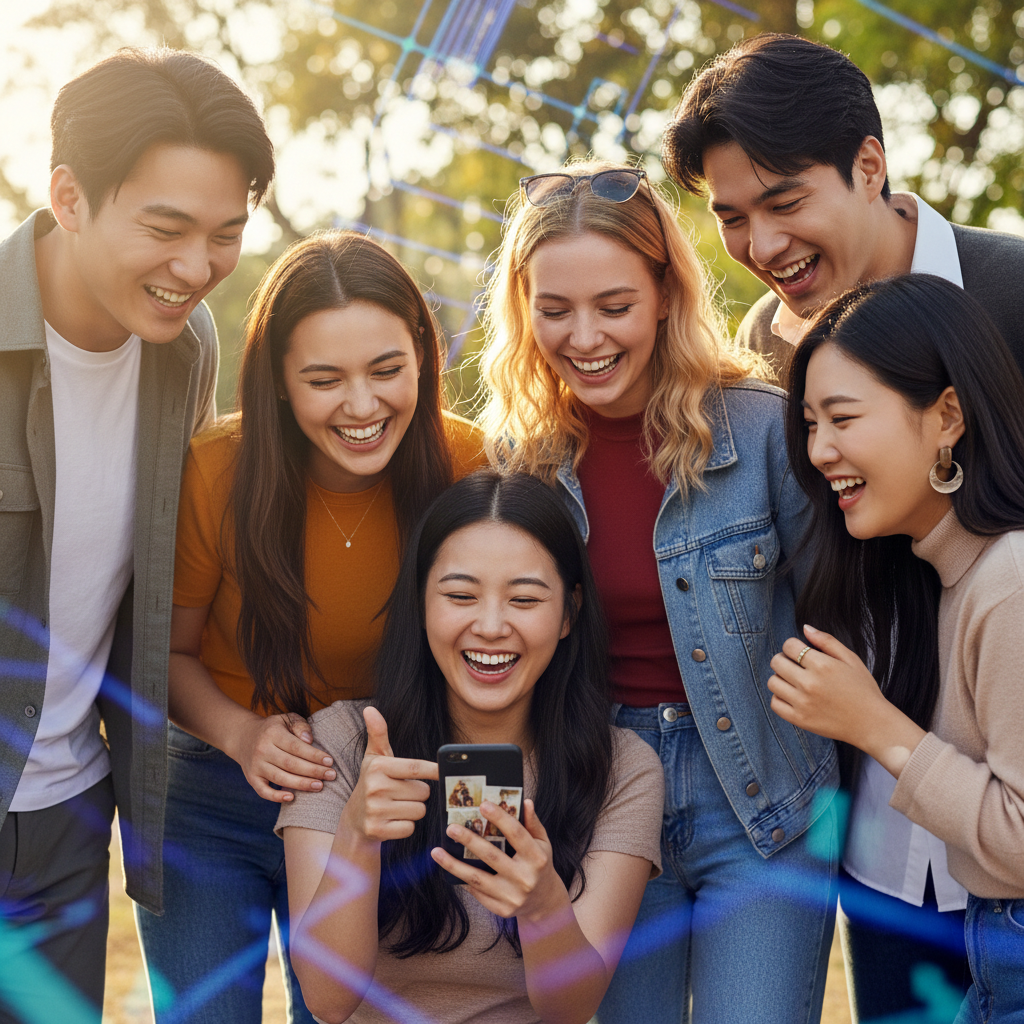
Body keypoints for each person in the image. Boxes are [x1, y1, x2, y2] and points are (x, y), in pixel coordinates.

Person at [478, 161, 839, 1024]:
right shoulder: (515, 463)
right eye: (554, 309)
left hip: (763, 802)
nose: (585, 336)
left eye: (614, 305)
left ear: (667, 295)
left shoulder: (761, 430)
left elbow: (842, 617)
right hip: (597, 798)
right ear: (523, 310)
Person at [134, 230, 487, 1023]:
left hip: (370, 793)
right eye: (325, 380)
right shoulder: (216, 470)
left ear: (424, 360)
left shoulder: (468, 468)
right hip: (210, 791)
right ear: (280, 384)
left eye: (387, 371)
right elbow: (166, 652)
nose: (362, 407)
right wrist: (242, 735)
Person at [0, 48, 273, 1021]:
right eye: (165, 229)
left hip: (67, 824)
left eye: (225, 235)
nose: (195, 268)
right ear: (68, 197)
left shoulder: (182, 348)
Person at [277, 470, 665, 1023]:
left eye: (524, 600)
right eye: (460, 595)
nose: (489, 626)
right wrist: (356, 839)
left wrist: (543, 906)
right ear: (421, 601)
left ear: (569, 614)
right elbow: (326, 1000)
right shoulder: (341, 745)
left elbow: (572, 1009)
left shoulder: (623, 769)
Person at [770, 274, 1024, 1024]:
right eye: (811, 423)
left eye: (843, 418)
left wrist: (875, 726)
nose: (820, 451)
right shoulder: (948, 570)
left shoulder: (1007, 580)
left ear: (948, 415)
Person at [661, 33, 1024, 381]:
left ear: (868, 168)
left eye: (785, 205)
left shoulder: (1014, 291)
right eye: (733, 219)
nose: (764, 249)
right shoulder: (763, 341)